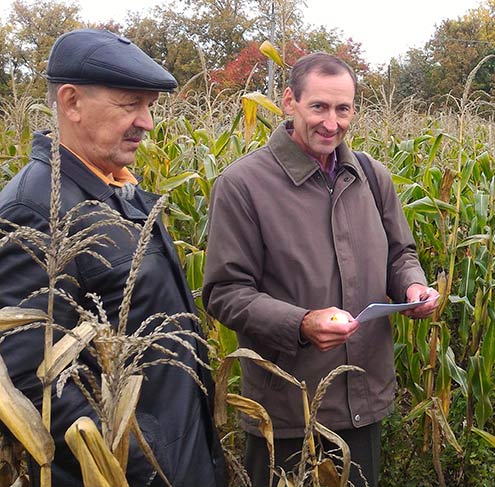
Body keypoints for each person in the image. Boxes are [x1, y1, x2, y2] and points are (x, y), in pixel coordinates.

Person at [0, 29, 226, 486]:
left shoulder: (120, 189)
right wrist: (142, 470)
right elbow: (38, 383)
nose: (147, 122)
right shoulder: (35, 209)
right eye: (130, 104)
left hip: (186, 460)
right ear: (71, 102)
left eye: (150, 107)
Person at [202, 52, 439, 487]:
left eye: (343, 109)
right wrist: (301, 323)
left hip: (363, 396)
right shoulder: (242, 186)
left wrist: (413, 287)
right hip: (289, 410)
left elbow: (400, 253)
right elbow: (224, 291)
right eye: (319, 107)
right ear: (290, 102)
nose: (332, 123)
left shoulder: (371, 175)